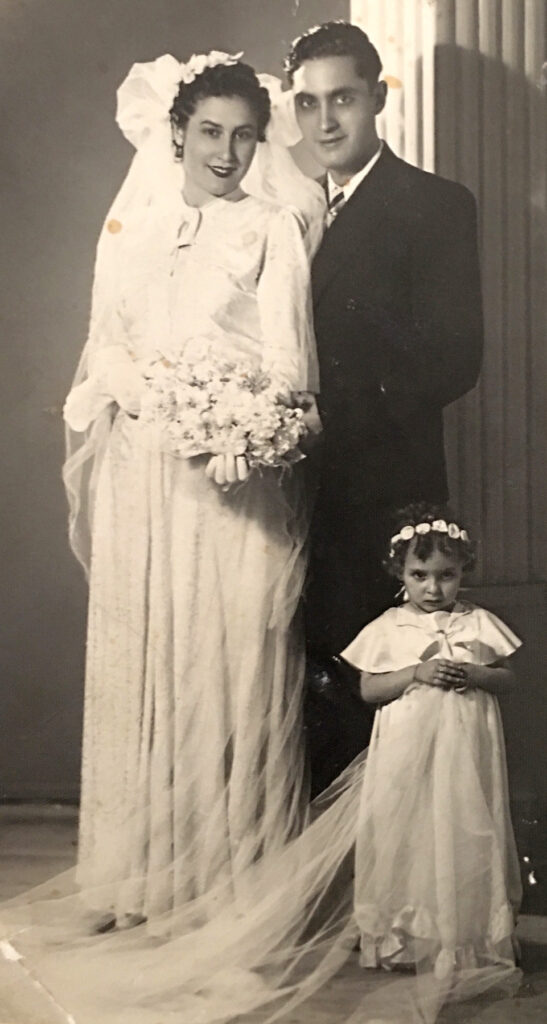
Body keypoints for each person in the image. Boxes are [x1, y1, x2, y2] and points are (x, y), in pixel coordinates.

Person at [60, 51, 324, 930]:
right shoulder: (129, 228)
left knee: (220, 666)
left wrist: (243, 430)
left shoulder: (272, 228)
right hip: (141, 477)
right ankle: (135, 879)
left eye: (243, 137)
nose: (225, 153)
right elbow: (104, 345)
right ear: (176, 133)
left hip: (226, 484)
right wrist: (151, 398)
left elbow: (288, 367)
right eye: (210, 132)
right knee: (144, 660)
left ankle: (222, 885)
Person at [285, 22, 484, 785]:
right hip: (296, 489)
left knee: (376, 679)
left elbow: (453, 359)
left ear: (378, 97)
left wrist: (330, 418)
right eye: (308, 103)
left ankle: (379, 851)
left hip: (381, 487)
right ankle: (319, 842)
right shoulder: (291, 208)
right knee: (310, 677)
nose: (325, 120)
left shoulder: (433, 204)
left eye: (342, 98)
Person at [343, 503, 522, 989]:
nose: (433, 589)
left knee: (464, 826)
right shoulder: (388, 625)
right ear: (398, 572)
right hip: (407, 750)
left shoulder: (478, 621)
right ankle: (405, 939)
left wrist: (476, 673)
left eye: (447, 576)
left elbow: (508, 680)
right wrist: (415, 672)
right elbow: (369, 690)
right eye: (419, 575)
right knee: (408, 829)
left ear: (464, 571)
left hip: (467, 747)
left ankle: (463, 939)